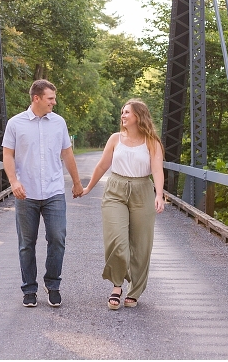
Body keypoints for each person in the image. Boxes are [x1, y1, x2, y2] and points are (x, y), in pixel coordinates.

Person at [2, 79, 84, 308]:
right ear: (36, 98)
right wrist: (13, 181)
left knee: (57, 238)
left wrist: (77, 183)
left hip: (53, 190)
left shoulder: (59, 123)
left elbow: (67, 154)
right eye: (50, 98)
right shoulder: (15, 124)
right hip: (25, 193)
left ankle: (53, 284)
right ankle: (29, 289)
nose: (54, 102)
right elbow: (7, 155)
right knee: (26, 243)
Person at [76, 99, 164, 309]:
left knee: (141, 245)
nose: (123, 116)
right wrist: (88, 187)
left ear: (138, 116)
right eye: (122, 112)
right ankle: (117, 285)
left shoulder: (152, 141)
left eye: (127, 113)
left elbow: (158, 170)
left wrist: (159, 194)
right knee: (117, 240)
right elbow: (102, 165)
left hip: (142, 189)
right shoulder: (115, 139)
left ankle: (135, 290)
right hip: (115, 189)